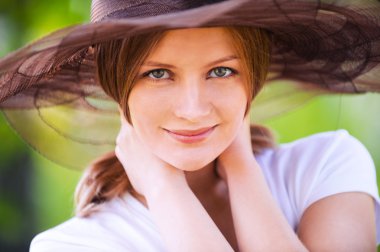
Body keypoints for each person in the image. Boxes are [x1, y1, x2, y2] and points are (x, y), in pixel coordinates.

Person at [1, 0, 380, 251]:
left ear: (254, 77)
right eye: (159, 73)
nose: (193, 109)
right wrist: (165, 187)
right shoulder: (78, 246)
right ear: (117, 84)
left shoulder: (326, 168)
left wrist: (241, 167)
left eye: (221, 71)